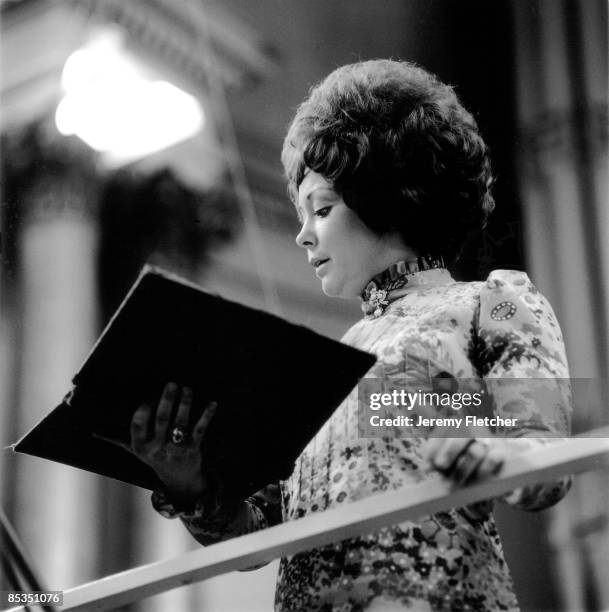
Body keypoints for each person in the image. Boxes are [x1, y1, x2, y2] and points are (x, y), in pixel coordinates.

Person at [131, 60, 572, 611]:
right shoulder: (320, 369)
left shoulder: (493, 300)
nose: (301, 234)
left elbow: (544, 459)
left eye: (321, 208)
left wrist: (490, 455)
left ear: (384, 195)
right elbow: (257, 542)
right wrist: (189, 482)